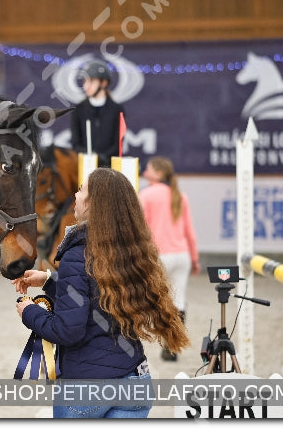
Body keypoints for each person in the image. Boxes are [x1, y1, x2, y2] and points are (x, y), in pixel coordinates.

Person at [14, 168, 189, 418]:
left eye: (81, 189)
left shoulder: (77, 254)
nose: (75, 195)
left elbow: (68, 330)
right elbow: (98, 294)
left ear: (94, 202)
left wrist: (29, 312)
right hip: (134, 383)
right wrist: (52, 280)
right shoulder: (130, 250)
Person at [139, 156, 201, 361]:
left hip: (159, 256)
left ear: (158, 173)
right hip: (181, 255)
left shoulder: (146, 195)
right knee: (178, 300)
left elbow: (140, 229)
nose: (145, 172)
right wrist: (194, 258)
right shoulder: (180, 196)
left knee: (156, 299)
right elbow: (189, 230)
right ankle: (173, 346)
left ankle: (158, 338)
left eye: (148, 169)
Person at [69, 59, 125, 167]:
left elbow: (118, 143)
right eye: (85, 81)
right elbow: (75, 143)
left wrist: (102, 157)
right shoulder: (79, 109)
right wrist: (90, 156)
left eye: (92, 81)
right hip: (85, 166)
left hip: (110, 167)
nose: (86, 86)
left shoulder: (116, 109)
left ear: (103, 83)